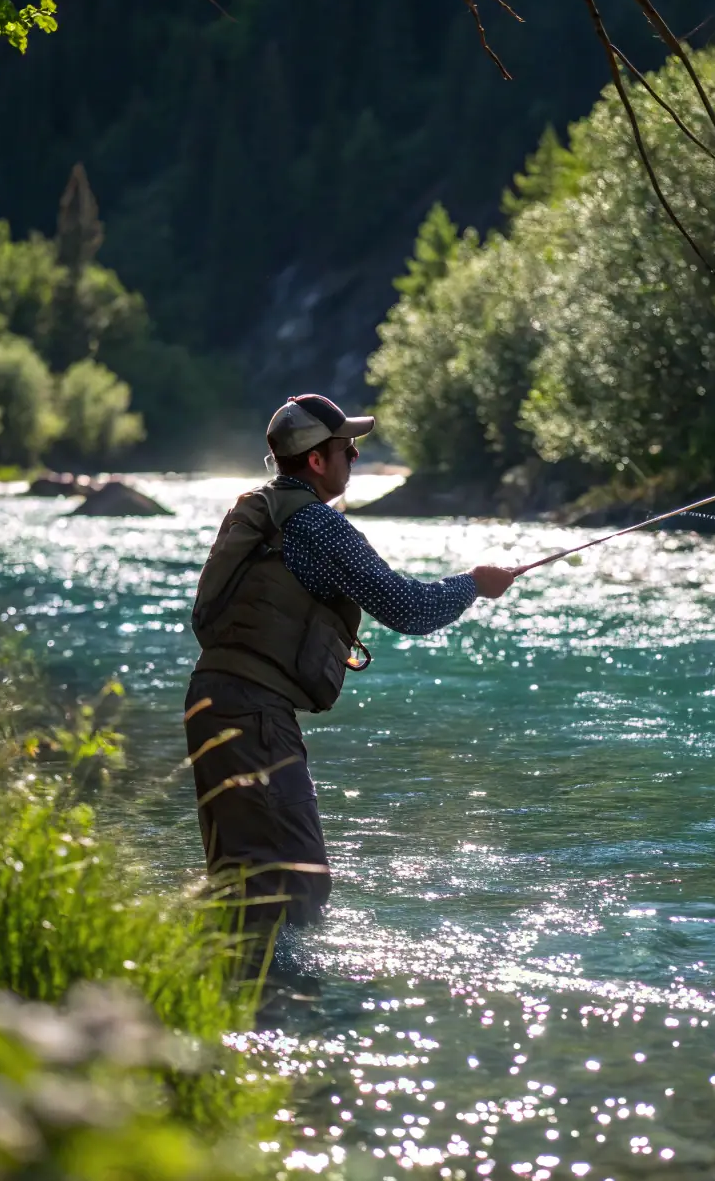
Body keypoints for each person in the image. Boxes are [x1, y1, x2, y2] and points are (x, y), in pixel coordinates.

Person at [184, 392, 516, 935]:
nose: (355, 459)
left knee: (244, 882)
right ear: (317, 460)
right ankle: (282, 1008)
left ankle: (229, 997)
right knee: (298, 885)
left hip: (215, 704)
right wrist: (476, 584)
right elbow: (408, 608)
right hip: (253, 717)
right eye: (349, 450)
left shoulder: (260, 510)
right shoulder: (317, 525)